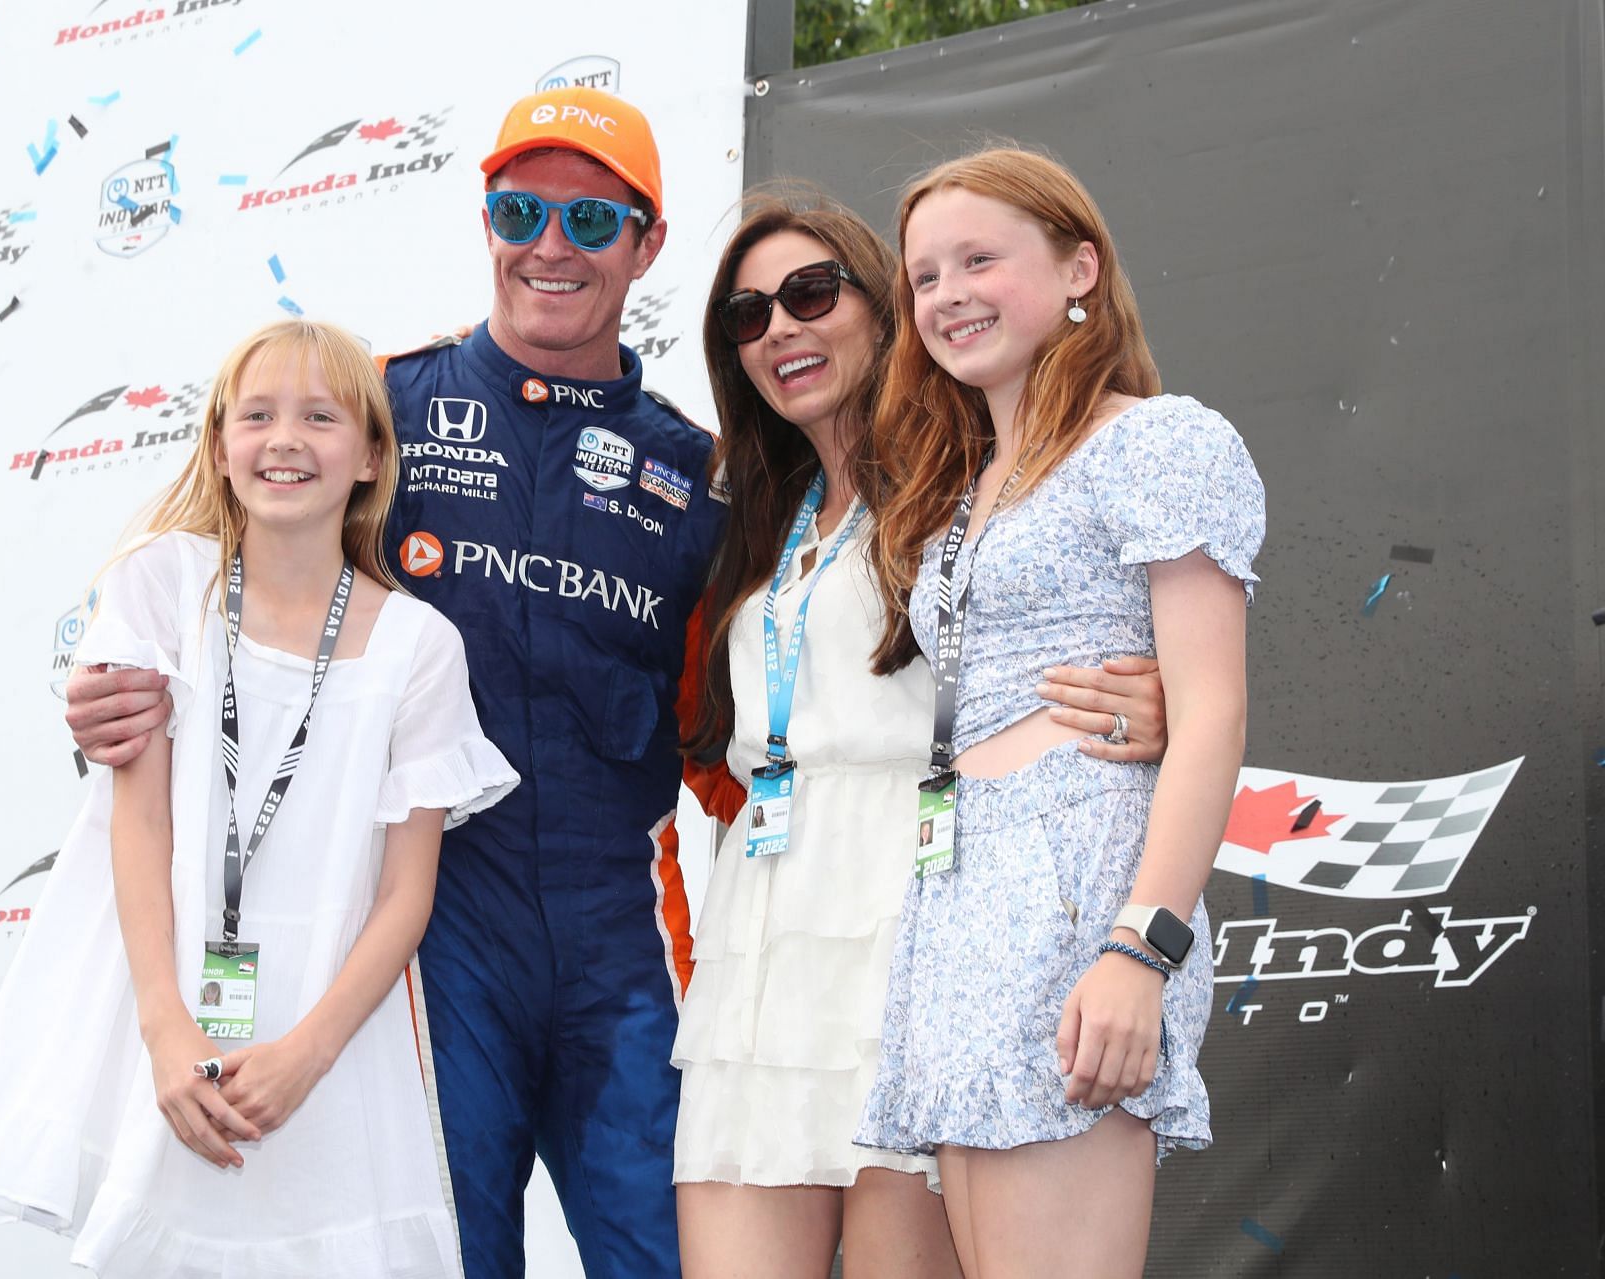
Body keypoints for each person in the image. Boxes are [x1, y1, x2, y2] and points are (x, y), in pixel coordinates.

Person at [65, 91, 1188, 1276]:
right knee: (443, 1252)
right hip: (434, 933)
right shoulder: (382, 405)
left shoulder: (709, 481)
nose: (551, 244)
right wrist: (113, 694)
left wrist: (1107, 702)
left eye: (592, 220)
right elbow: (217, 583)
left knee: (669, 1253)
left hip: (630, 944)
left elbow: (756, 724)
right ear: (487, 223)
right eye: (521, 209)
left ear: (645, 246)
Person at [0, 319, 517, 1278]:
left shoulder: (420, 646)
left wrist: (308, 1054)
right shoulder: (162, 586)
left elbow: (406, 897)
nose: (285, 439)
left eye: (320, 416)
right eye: (257, 415)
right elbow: (138, 825)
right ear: (220, 449)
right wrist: (166, 1028)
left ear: (370, 456)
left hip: (332, 1042)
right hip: (169, 1011)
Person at [671, 189, 1174, 1279]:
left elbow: (1115, 629)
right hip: (760, 945)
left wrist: (1156, 697)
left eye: (810, 293)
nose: (782, 329)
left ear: (882, 302)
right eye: (747, 316)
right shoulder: (761, 516)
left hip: (920, 926)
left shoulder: (970, 484)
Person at [854, 147, 1265, 1277]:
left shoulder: (1158, 440)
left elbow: (1213, 711)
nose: (948, 295)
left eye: (980, 258)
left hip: (1084, 892)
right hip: (959, 900)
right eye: (924, 276)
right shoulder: (957, 489)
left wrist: (1144, 947)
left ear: (1080, 265)